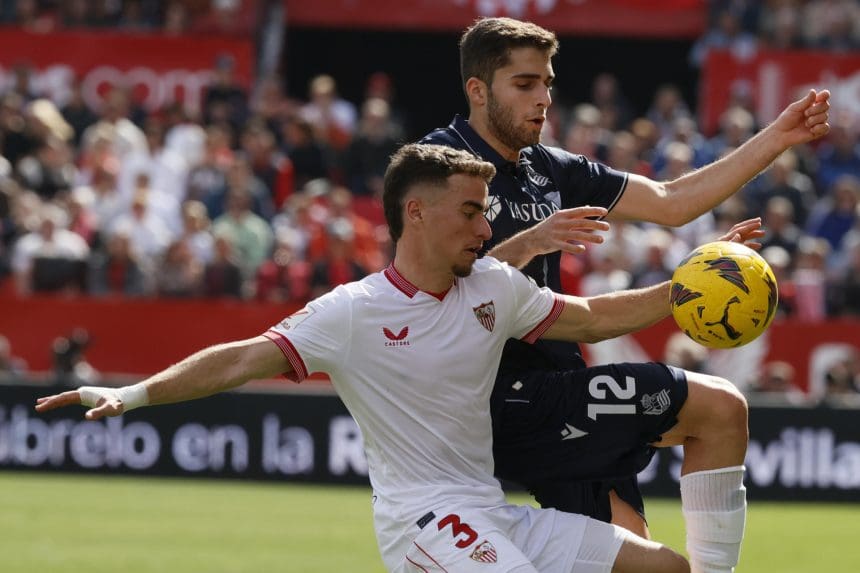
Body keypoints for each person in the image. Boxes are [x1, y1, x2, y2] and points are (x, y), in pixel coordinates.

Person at [37, 143, 694, 572]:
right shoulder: (352, 311)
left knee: (665, 567)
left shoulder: (495, 285)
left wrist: (685, 287)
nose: (486, 229)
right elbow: (239, 360)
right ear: (417, 213)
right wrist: (131, 394)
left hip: (492, 510)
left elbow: (597, 317)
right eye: (470, 212)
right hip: (423, 523)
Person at [420, 16, 831, 572]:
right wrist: (528, 243)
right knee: (719, 408)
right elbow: (430, 291)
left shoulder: (549, 169)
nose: (542, 98)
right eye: (524, 85)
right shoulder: (435, 167)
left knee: (640, 559)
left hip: (555, 387)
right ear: (477, 89)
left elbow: (670, 199)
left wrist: (778, 136)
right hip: (488, 397)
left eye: (547, 82)